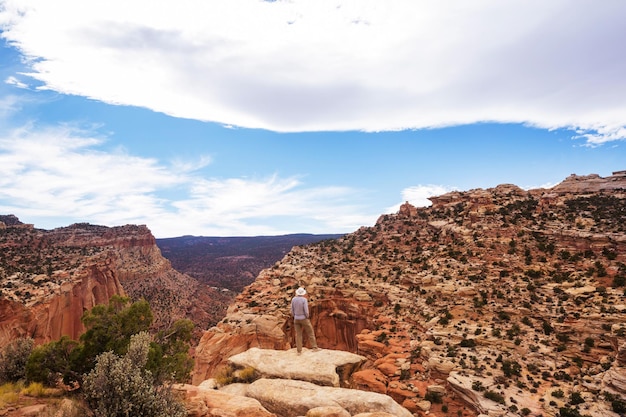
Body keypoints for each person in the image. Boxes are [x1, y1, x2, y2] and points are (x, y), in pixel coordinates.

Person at [290, 287, 319, 354]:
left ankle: (299, 351)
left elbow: (292, 310)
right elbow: (306, 310)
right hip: (303, 318)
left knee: (298, 335)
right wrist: (307, 316)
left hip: (296, 319)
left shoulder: (293, 299)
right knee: (310, 332)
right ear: (303, 293)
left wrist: (295, 316)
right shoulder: (304, 300)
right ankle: (314, 347)